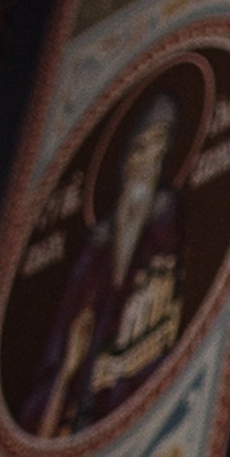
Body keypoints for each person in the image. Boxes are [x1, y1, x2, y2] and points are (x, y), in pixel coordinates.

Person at [27, 89, 186, 437]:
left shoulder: (166, 224)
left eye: (160, 147)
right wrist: (69, 370)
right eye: (142, 147)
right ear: (127, 157)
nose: (149, 161)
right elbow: (61, 339)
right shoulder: (96, 245)